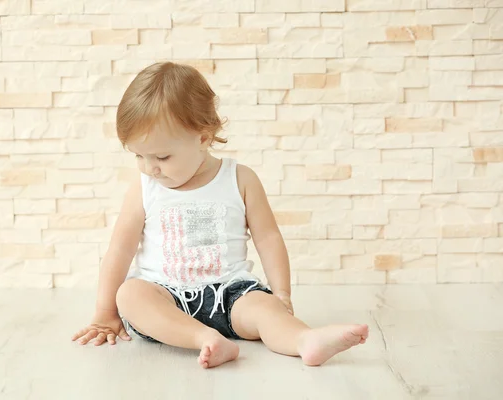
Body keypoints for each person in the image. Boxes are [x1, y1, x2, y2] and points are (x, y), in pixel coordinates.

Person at [72, 62, 368, 369]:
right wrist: (105, 312)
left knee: (265, 308)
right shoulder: (145, 189)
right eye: (139, 156)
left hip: (231, 293)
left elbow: (268, 238)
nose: (150, 167)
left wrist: (281, 294)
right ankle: (204, 338)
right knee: (131, 295)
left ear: (202, 138)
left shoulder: (239, 179)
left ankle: (304, 340)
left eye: (162, 157)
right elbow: (120, 250)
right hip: (164, 295)